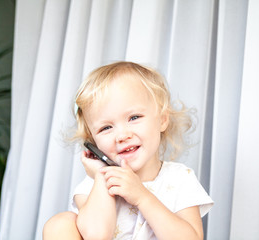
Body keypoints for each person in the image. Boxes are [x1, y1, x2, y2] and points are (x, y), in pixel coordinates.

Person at [43, 61, 213, 239]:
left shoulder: (180, 178)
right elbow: (96, 236)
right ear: (93, 143)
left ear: (162, 120)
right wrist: (102, 178)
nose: (122, 135)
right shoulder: (93, 183)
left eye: (134, 117)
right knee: (59, 223)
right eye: (106, 128)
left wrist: (141, 196)